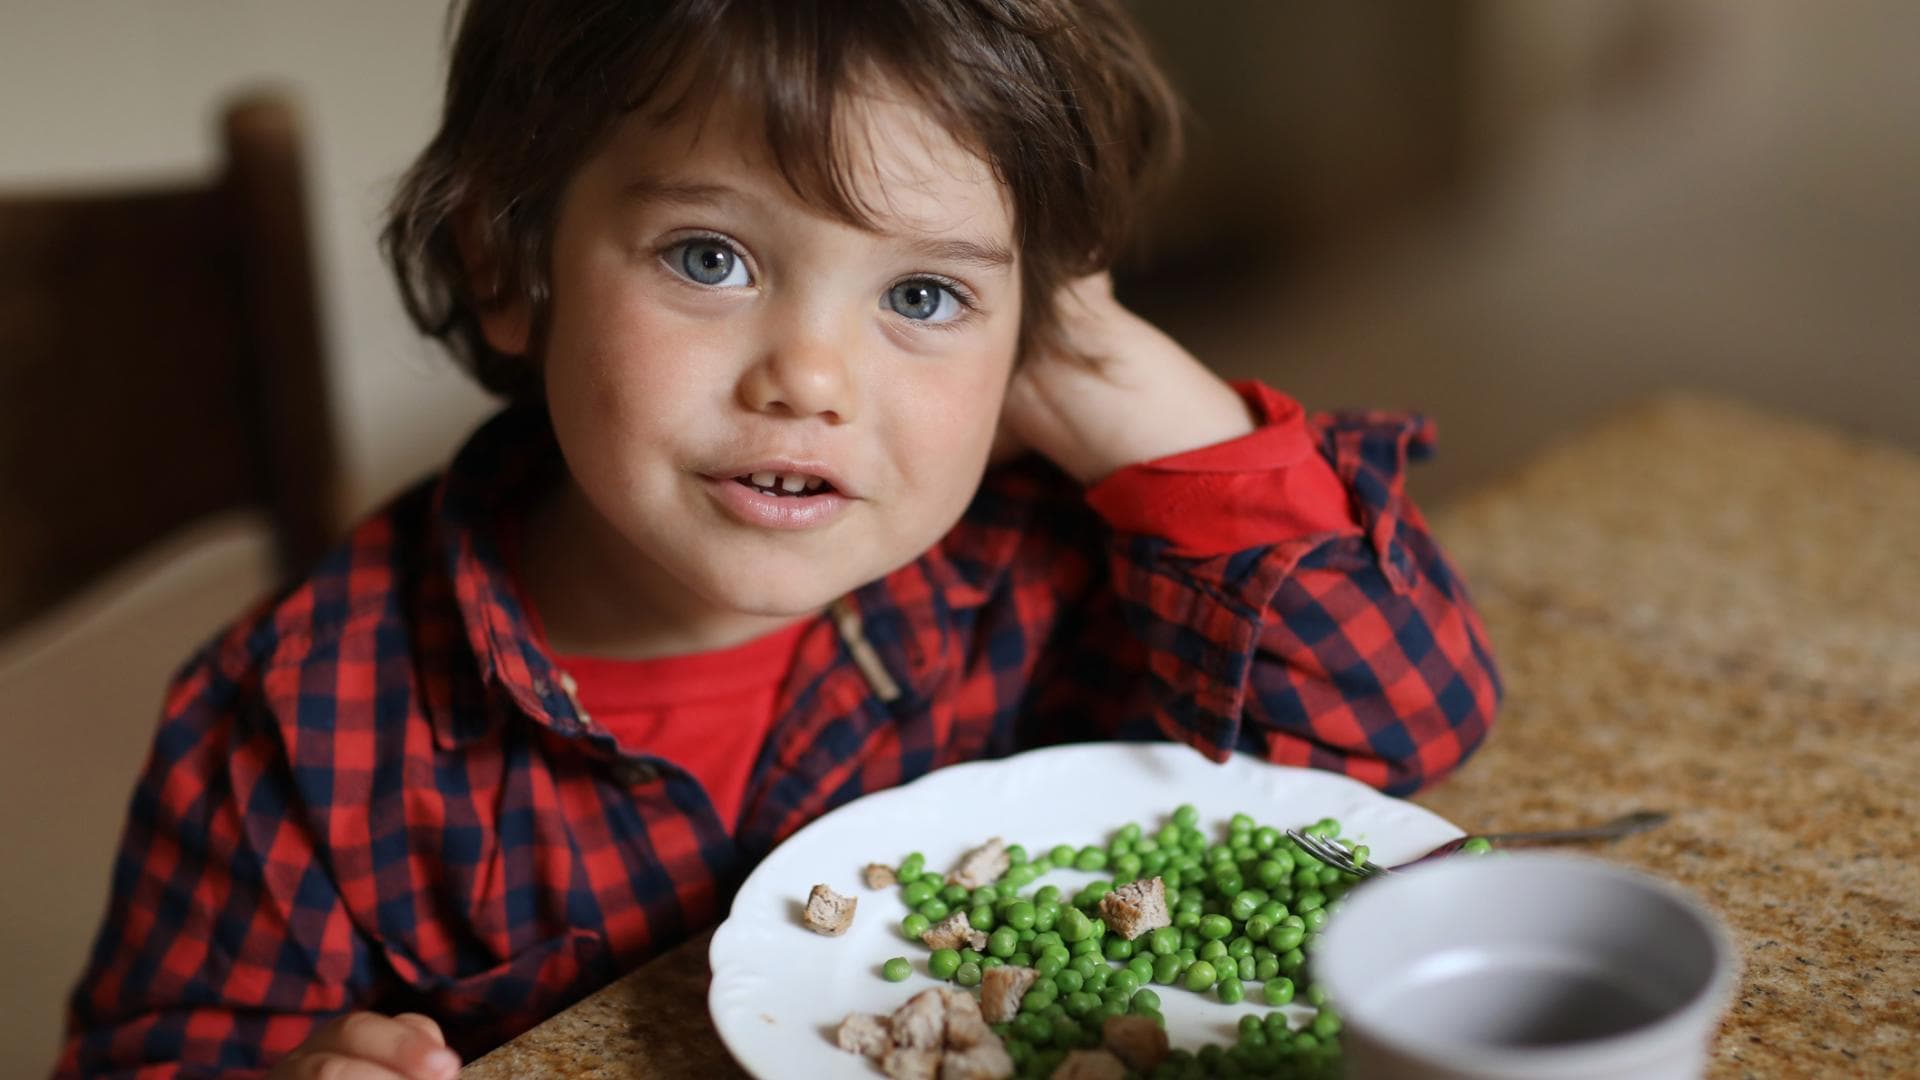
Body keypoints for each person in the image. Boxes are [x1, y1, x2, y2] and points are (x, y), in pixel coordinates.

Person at [57, 1, 1499, 1076]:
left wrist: (1137, 401)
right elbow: (153, 1050)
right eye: (711, 258)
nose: (811, 377)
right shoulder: (300, 726)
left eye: (926, 298)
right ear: (509, 267)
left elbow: (1398, 722)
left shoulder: (1029, 564)